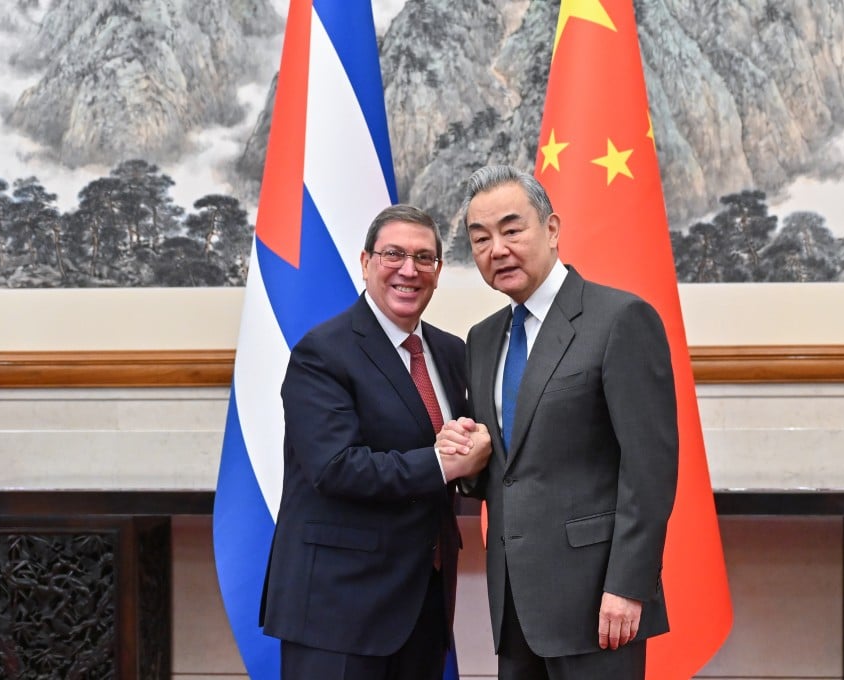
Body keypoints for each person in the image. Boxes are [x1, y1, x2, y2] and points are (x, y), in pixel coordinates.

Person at [450, 165, 679, 679]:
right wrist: (466, 462)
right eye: (480, 238)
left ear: (552, 229)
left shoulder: (619, 319)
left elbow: (649, 471)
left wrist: (628, 585)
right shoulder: (483, 339)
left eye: (512, 230)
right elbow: (505, 469)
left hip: (598, 601)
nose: (497, 249)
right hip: (513, 603)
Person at [260, 204, 493, 680]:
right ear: (365, 263)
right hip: (338, 610)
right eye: (394, 254)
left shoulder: (451, 352)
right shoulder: (323, 353)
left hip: (423, 605)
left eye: (424, 258)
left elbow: (464, 449)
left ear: (438, 271)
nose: (409, 270)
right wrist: (443, 465)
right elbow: (335, 467)